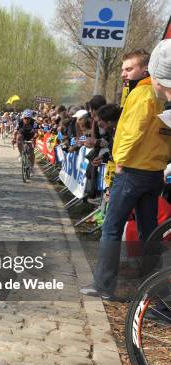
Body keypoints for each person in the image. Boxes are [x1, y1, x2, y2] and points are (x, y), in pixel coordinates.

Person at [80, 45, 171, 299]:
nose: (124, 73)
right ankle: (151, 288)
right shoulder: (159, 94)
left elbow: (133, 131)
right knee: (148, 232)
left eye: (129, 69)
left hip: (132, 170)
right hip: (154, 171)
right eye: (122, 69)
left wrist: (119, 161)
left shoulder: (143, 94)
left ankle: (103, 284)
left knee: (111, 226)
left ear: (146, 69)